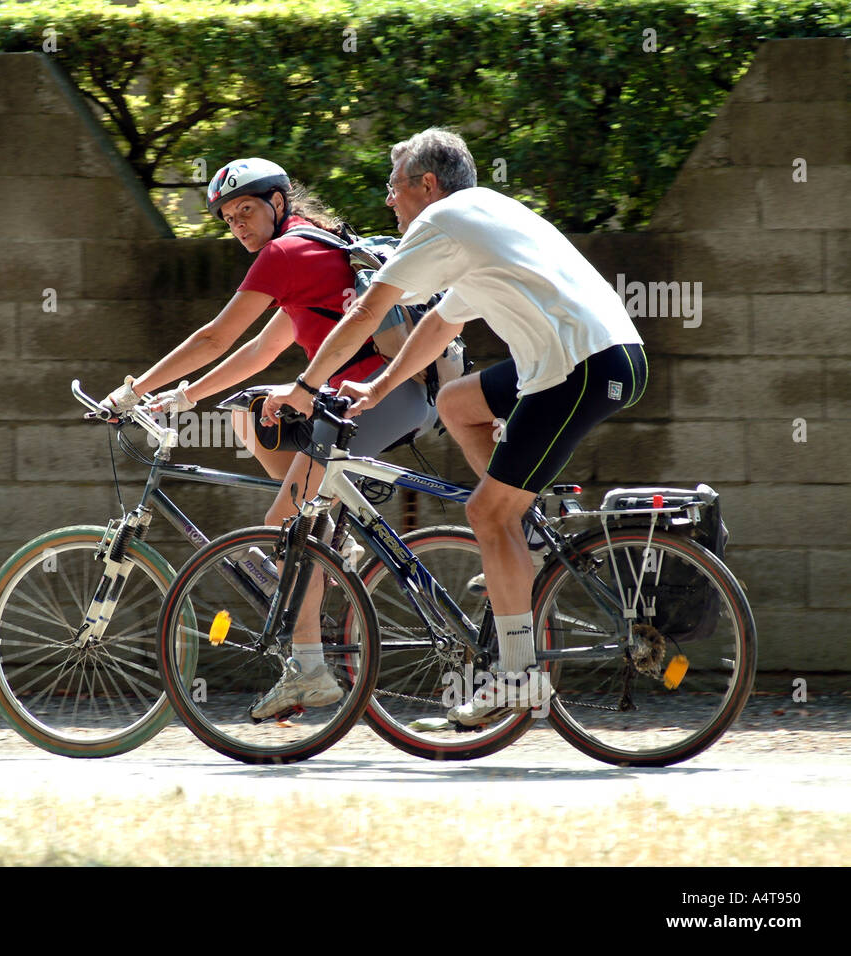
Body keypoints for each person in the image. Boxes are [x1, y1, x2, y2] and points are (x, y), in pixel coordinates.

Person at [263, 128, 648, 726]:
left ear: (426, 184)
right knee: (459, 403)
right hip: (589, 357)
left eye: (394, 188)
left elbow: (366, 311)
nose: (389, 201)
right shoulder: (485, 217)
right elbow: (439, 326)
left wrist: (307, 385)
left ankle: (519, 676)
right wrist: (380, 386)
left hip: (582, 365)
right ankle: (519, 523)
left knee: (485, 514)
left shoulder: (443, 221)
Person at [99, 157, 437, 718]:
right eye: (229, 218)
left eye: (247, 210)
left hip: (380, 394)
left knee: (282, 533)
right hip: (363, 394)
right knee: (250, 414)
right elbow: (258, 351)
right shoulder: (310, 246)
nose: (238, 225)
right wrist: (185, 398)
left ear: (278, 203)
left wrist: (131, 390)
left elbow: (216, 336)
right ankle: (327, 536)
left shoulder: (286, 254)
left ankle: (309, 666)